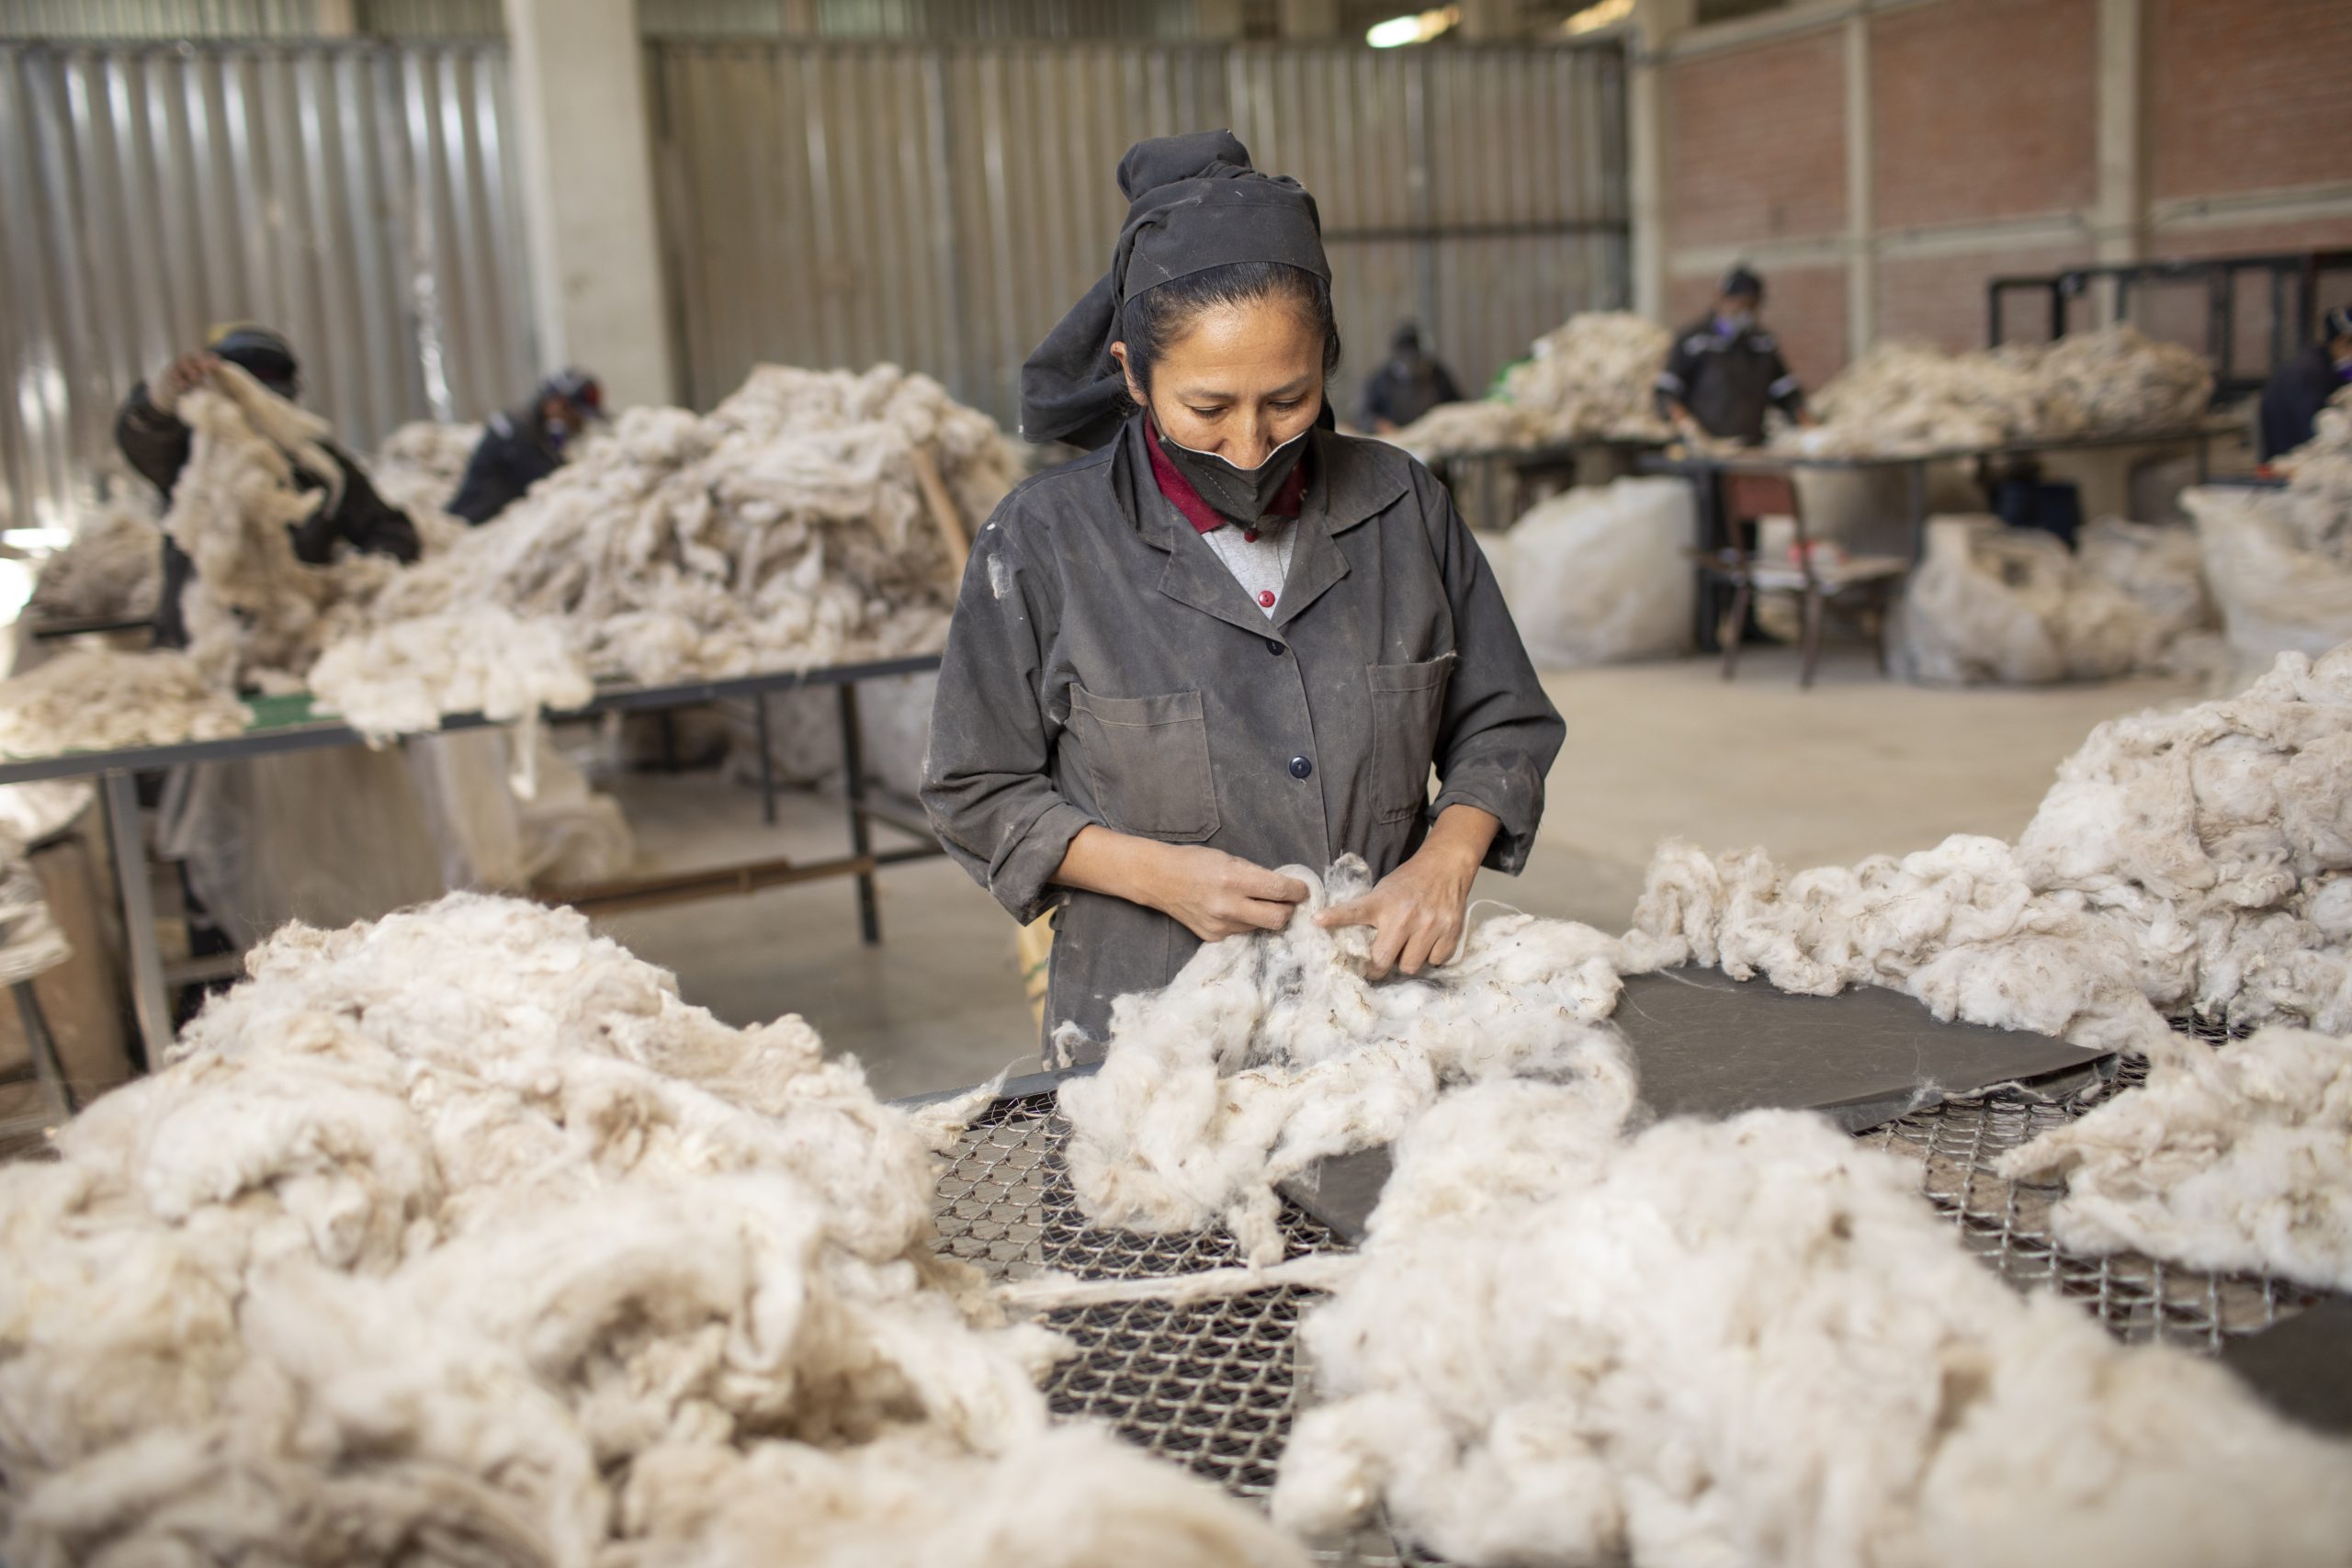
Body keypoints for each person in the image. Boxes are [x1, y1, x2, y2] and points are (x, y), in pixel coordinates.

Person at [922, 130, 1565, 1061]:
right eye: (1209, 408)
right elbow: (973, 789)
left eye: (1289, 400)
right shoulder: (1045, 540)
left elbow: (1501, 725)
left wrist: (1445, 860)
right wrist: (1157, 877)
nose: (1253, 443)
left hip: (1377, 1019)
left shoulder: (1400, 505)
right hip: (1153, 1038)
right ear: (1133, 375)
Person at [115, 322, 420, 649]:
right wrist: (164, 396)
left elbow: (390, 530)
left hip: (288, 648)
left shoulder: (320, 465)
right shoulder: (190, 458)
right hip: (198, 648)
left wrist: (349, 579)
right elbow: (144, 435)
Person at [1655, 265, 1811, 446]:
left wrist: (1810, 428)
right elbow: (1667, 391)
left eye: (1752, 306)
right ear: (1722, 299)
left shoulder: (1761, 343)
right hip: (1705, 450)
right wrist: (1685, 425)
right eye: (1740, 304)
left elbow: (1786, 392)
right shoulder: (1694, 340)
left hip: (1751, 445)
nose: (1745, 313)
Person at [448, 368, 605, 524]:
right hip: (476, 521)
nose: (581, 425)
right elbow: (549, 481)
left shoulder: (542, 434)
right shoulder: (516, 432)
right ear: (556, 404)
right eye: (578, 417)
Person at [2256, 306, 2352, 463]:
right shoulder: (2307, 375)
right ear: (2343, 342)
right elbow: (2315, 434)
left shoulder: (2330, 368)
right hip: (2293, 461)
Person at [1357, 320, 1464, 434]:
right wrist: (1378, 424)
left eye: (1413, 356)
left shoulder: (1437, 374)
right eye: (1405, 356)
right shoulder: (1381, 379)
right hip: (1396, 437)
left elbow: (1459, 406)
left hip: (1432, 436)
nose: (1410, 363)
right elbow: (1363, 416)